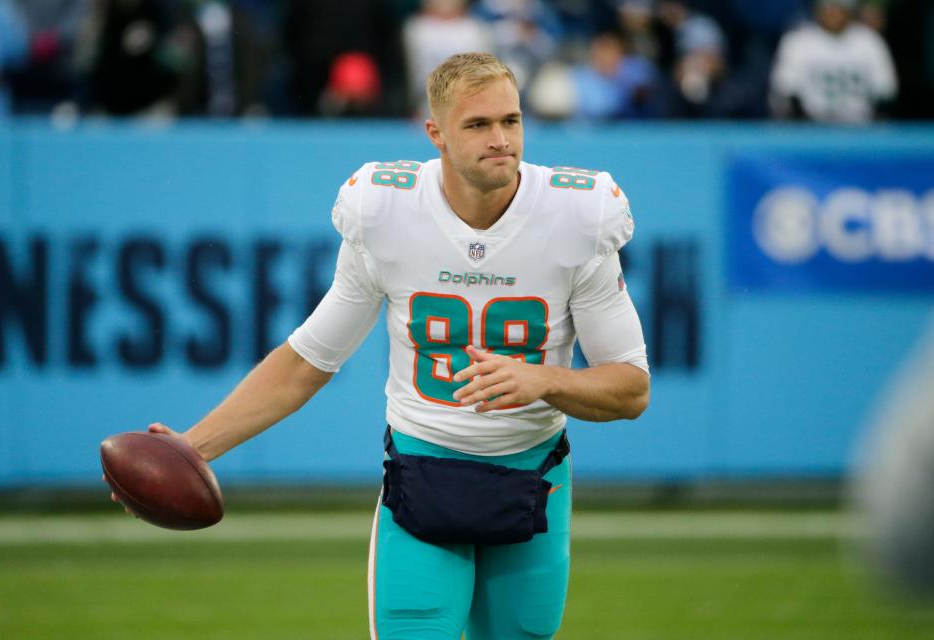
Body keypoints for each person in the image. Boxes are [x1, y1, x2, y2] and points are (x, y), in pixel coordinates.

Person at [108, 52, 650, 640]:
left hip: (535, 481)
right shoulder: (386, 210)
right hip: (423, 478)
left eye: (511, 121)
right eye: (477, 125)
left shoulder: (578, 215)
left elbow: (630, 386)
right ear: (435, 134)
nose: (500, 140)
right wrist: (194, 446)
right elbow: (308, 360)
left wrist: (544, 380)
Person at [769, 0, 897, 123]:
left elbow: (885, 93)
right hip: (811, 128)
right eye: (828, 7)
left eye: (838, 7)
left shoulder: (869, 41)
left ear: (849, 10)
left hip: (861, 127)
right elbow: (786, 92)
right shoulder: (798, 41)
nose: (833, 13)